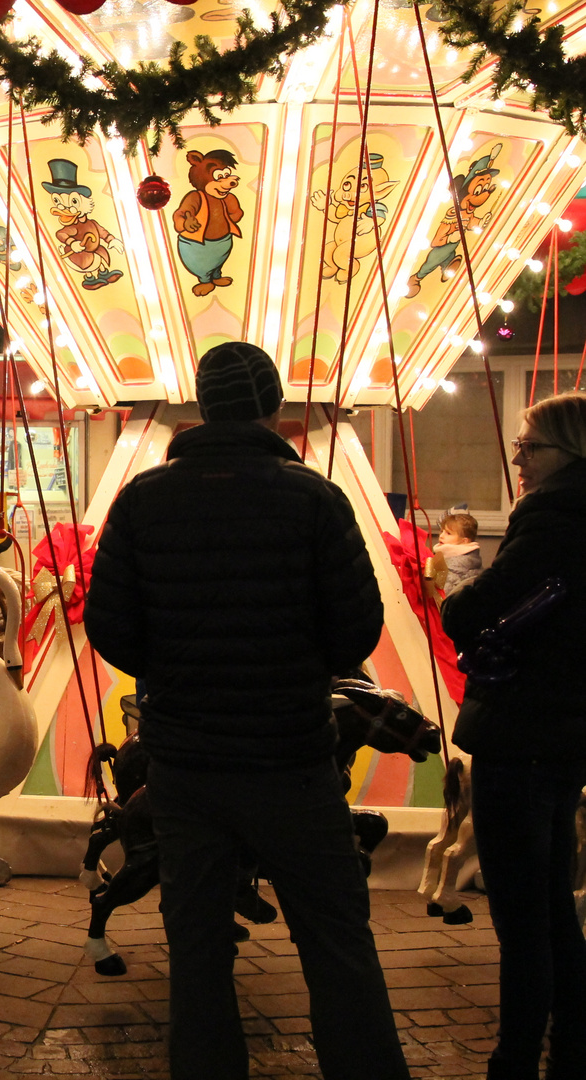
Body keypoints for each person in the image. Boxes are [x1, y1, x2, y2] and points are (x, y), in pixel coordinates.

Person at [83, 341, 405, 1080]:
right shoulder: (314, 497)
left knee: (197, 951)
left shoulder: (143, 501)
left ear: (201, 403)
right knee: (336, 942)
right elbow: (355, 632)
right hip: (291, 756)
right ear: (270, 405)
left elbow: (112, 627)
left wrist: (177, 671)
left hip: (187, 764)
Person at [442, 391, 586, 1080]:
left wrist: (458, 595)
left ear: (570, 452)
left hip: (520, 729)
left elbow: (472, 612)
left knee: (524, 916)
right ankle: (571, 1045)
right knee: (555, 902)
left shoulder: (553, 519)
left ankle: (515, 1059)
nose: (520, 459)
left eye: (531, 446)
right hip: (564, 734)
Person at [432, 511, 482, 597]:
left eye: (448, 533)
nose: (441, 536)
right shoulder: (470, 559)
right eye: (441, 531)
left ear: (464, 541)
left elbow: (441, 596)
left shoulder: (456, 568)